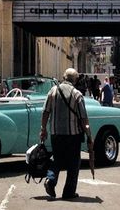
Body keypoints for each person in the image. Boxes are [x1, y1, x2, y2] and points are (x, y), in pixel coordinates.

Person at [40, 68, 92, 201]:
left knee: (57, 159)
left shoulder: (53, 91)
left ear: (64, 77)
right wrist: (88, 134)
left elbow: (45, 111)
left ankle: (50, 181)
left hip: (56, 133)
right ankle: (69, 192)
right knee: (74, 163)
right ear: (75, 80)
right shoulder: (77, 94)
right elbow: (83, 118)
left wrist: (43, 129)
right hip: (73, 135)